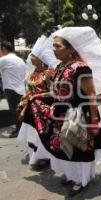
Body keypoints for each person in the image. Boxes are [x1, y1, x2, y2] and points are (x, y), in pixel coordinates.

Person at [20, 27, 101, 197]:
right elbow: (56, 92)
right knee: (65, 148)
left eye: (58, 46)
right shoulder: (59, 67)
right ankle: (71, 175)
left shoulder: (81, 68)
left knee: (80, 149)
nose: (54, 50)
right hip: (61, 115)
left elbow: (91, 95)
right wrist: (38, 95)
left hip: (79, 115)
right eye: (53, 46)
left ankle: (81, 180)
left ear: (70, 49)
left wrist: (93, 121)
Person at [17, 35, 60, 170]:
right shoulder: (31, 73)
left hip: (43, 110)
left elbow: (54, 93)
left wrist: (37, 96)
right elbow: (28, 90)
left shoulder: (49, 73)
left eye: (33, 56)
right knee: (31, 135)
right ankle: (36, 155)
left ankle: (44, 157)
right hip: (29, 109)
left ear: (41, 60)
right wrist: (25, 98)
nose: (30, 57)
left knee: (42, 134)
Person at [0, 41, 26, 137]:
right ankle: (20, 129)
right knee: (19, 110)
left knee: (15, 111)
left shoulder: (4, 59)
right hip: (21, 88)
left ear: (4, 49)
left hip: (11, 88)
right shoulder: (19, 59)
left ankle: (19, 131)